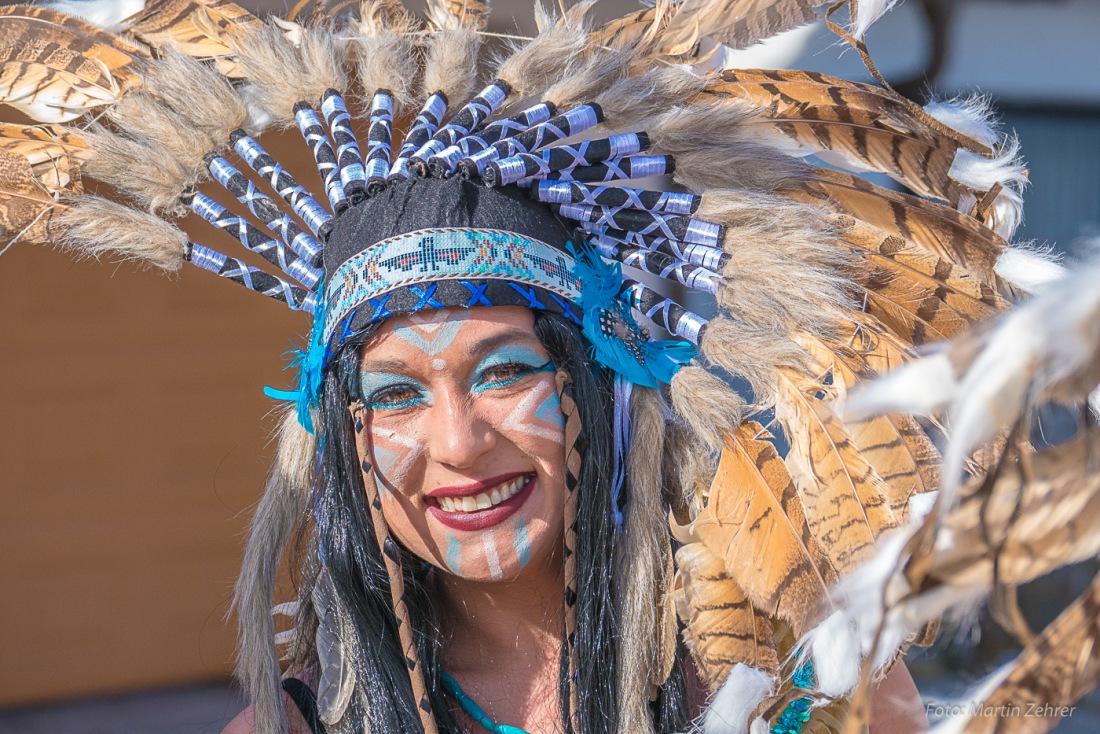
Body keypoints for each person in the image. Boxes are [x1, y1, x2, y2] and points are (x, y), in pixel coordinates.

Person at [0, 0, 1047, 732]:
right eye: (395, 393)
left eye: (503, 371)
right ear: (339, 436)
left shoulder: (800, 692)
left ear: (597, 383)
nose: (456, 444)